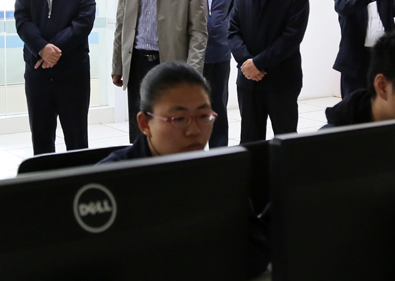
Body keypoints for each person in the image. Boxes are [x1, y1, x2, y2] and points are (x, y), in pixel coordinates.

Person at [97, 61, 269, 279]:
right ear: (145, 124)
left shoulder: (220, 171)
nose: (194, 131)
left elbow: (256, 251)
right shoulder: (110, 182)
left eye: (204, 116)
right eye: (179, 119)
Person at [112, 0, 208, 143]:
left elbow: (199, 33)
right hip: (136, 64)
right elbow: (121, 26)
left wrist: (191, 74)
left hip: (170, 64)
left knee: (171, 127)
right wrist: (118, 65)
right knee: (140, 128)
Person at [14, 0, 96, 155]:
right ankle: (45, 178)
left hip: (72, 73)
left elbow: (83, 24)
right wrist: (41, 49)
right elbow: (22, 20)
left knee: (76, 138)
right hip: (38, 72)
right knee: (41, 138)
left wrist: (53, 50)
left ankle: (77, 178)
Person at [229, 0, 310, 143]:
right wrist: (246, 63)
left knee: (285, 140)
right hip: (248, 80)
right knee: (250, 140)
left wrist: (258, 63)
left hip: (281, 79)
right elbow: (233, 30)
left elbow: (291, 37)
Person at [193, 0, 238, 148]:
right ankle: (194, 151)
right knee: (193, 107)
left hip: (220, 54)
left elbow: (234, 15)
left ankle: (220, 154)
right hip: (193, 55)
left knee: (218, 105)